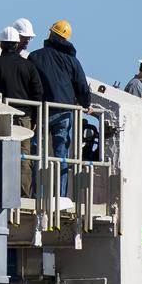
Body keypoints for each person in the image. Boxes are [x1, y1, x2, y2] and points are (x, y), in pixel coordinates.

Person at [28, 20, 93, 195]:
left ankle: (36, 195)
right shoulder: (72, 61)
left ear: (51, 34)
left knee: (37, 154)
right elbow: (81, 87)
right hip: (64, 112)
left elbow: (30, 85)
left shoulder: (35, 56)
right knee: (61, 155)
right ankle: (60, 196)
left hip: (41, 110)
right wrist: (87, 104)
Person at [0, 26, 44, 197]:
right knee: (23, 157)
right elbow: (37, 93)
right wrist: (36, 119)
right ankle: (23, 194)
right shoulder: (28, 66)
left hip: (0, 117)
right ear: (17, 44)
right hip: (24, 118)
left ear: (1, 44)